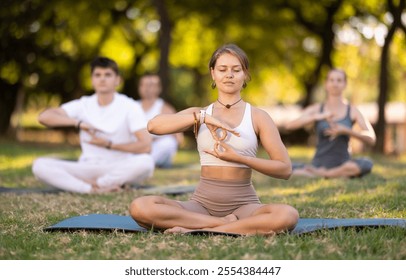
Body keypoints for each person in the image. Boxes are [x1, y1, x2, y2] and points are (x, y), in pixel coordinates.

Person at [129, 44, 299, 236]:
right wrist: (201, 118)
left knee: (287, 215)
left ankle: (202, 229)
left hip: (244, 206)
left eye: (236, 70)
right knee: (140, 206)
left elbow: (285, 169)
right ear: (213, 73)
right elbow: (153, 126)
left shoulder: (258, 116)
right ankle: (223, 224)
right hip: (201, 205)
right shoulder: (199, 113)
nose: (229, 75)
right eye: (222, 69)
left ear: (245, 75)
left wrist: (239, 158)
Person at [32, 57, 155, 193]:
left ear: (117, 80)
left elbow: (146, 145)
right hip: (87, 167)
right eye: (97, 75)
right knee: (39, 165)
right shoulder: (83, 104)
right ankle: (89, 188)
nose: (102, 79)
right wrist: (78, 123)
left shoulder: (130, 106)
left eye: (108, 75)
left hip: (118, 167)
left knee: (146, 162)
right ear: (92, 80)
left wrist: (109, 144)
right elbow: (44, 117)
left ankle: (95, 184)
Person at [285, 68, 376, 178]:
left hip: (343, 164)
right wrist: (316, 116)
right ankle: (330, 174)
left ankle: (323, 174)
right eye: (331, 80)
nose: (335, 84)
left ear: (345, 84)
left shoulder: (352, 110)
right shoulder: (318, 109)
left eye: (339, 80)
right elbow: (289, 125)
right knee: (286, 168)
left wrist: (346, 130)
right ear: (326, 84)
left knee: (367, 164)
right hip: (318, 164)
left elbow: (371, 138)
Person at [136, 74, 184, 168]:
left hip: (156, 147)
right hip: (137, 146)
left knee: (168, 142)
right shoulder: (132, 106)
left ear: (159, 89)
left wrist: (154, 139)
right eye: (144, 85)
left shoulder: (165, 108)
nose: (147, 88)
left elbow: (179, 138)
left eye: (150, 85)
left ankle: (144, 163)